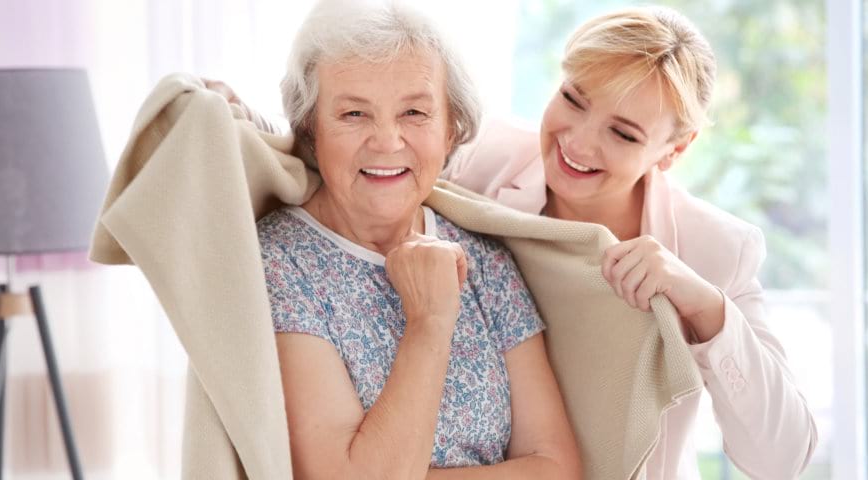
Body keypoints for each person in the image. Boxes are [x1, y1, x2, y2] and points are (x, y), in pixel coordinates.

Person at [216, 4, 817, 479]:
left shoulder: (718, 249)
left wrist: (707, 307)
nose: (578, 143)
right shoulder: (487, 160)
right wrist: (245, 131)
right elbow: (371, 150)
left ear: (674, 150)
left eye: (623, 133)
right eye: (574, 100)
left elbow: (781, 458)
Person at [255, 1, 582, 479]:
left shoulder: (486, 260)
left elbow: (558, 468)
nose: (387, 140)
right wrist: (429, 320)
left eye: (414, 112)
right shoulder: (280, 264)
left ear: (450, 129)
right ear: (311, 128)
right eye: (353, 113)